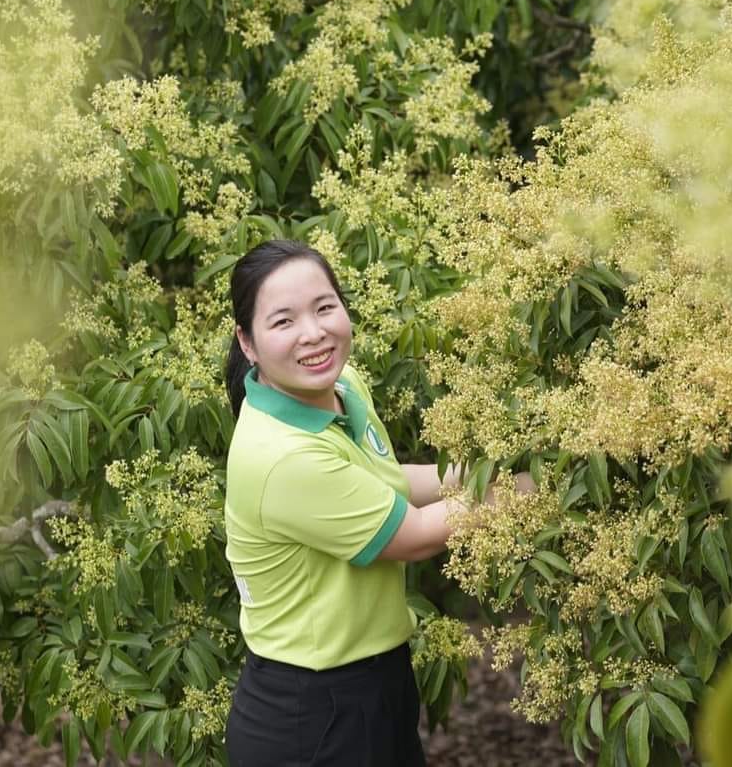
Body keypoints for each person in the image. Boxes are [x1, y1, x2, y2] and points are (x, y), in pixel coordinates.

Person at [222, 238, 533, 767]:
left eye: (325, 308)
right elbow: (410, 535)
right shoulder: (281, 456)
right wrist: (522, 494)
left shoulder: (342, 385)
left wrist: (490, 472)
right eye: (283, 321)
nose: (314, 333)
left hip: (372, 683)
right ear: (248, 342)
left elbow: (386, 483)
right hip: (314, 714)